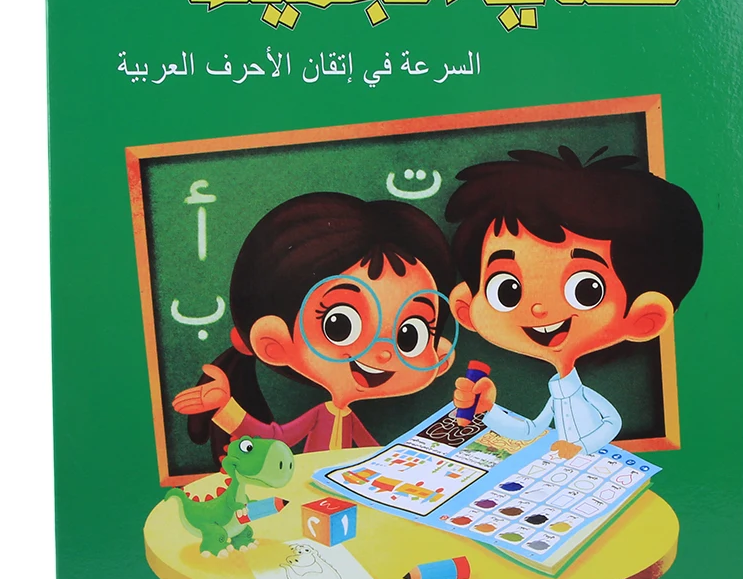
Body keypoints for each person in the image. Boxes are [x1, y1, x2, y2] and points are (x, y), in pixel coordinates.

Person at [444, 146, 702, 458]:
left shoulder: (584, 395)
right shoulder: (558, 391)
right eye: (507, 289)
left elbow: (612, 423)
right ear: (467, 308)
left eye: (586, 290)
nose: (538, 309)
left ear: (644, 318)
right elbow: (530, 430)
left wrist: (581, 448)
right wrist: (488, 409)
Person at [172, 192, 456, 464]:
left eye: (410, 335)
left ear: (439, 355)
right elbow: (274, 437)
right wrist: (226, 407)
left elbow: (374, 454)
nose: (383, 352)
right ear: (275, 343)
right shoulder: (321, 415)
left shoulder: (347, 419)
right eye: (340, 325)